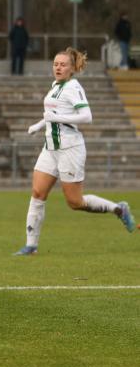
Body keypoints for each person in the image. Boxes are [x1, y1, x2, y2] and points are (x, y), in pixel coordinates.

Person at [14, 47, 134, 255]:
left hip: (70, 148)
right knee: (38, 193)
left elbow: (87, 116)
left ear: (72, 69)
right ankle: (31, 246)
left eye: (63, 65)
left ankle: (118, 208)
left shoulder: (73, 87)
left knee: (75, 202)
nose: (58, 68)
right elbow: (53, 113)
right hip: (51, 147)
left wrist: (56, 118)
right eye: (55, 64)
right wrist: (39, 125)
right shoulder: (55, 86)